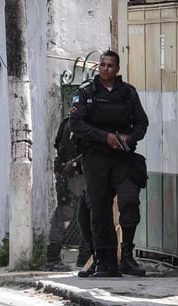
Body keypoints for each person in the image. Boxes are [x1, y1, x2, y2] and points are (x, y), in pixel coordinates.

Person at [70, 50, 149, 277]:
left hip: (123, 158)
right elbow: (76, 123)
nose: (105, 69)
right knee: (100, 210)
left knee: (129, 201)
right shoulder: (86, 91)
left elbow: (142, 124)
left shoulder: (128, 93)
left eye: (110, 65)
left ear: (117, 69)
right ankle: (104, 261)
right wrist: (104, 137)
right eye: (102, 65)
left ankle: (126, 257)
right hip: (95, 157)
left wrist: (129, 138)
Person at [44, 116, 90, 271]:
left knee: (86, 212)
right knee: (65, 214)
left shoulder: (69, 121)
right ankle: (53, 258)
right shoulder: (76, 122)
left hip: (77, 172)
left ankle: (85, 255)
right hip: (71, 173)